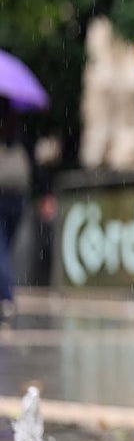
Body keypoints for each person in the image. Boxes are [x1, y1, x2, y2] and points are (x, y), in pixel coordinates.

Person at [0, 100, 32, 322]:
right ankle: (5, 293)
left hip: (6, 194)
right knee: (5, 247)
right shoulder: (19, 129)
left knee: (2, 248)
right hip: (17, 196)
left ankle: (6, 295)